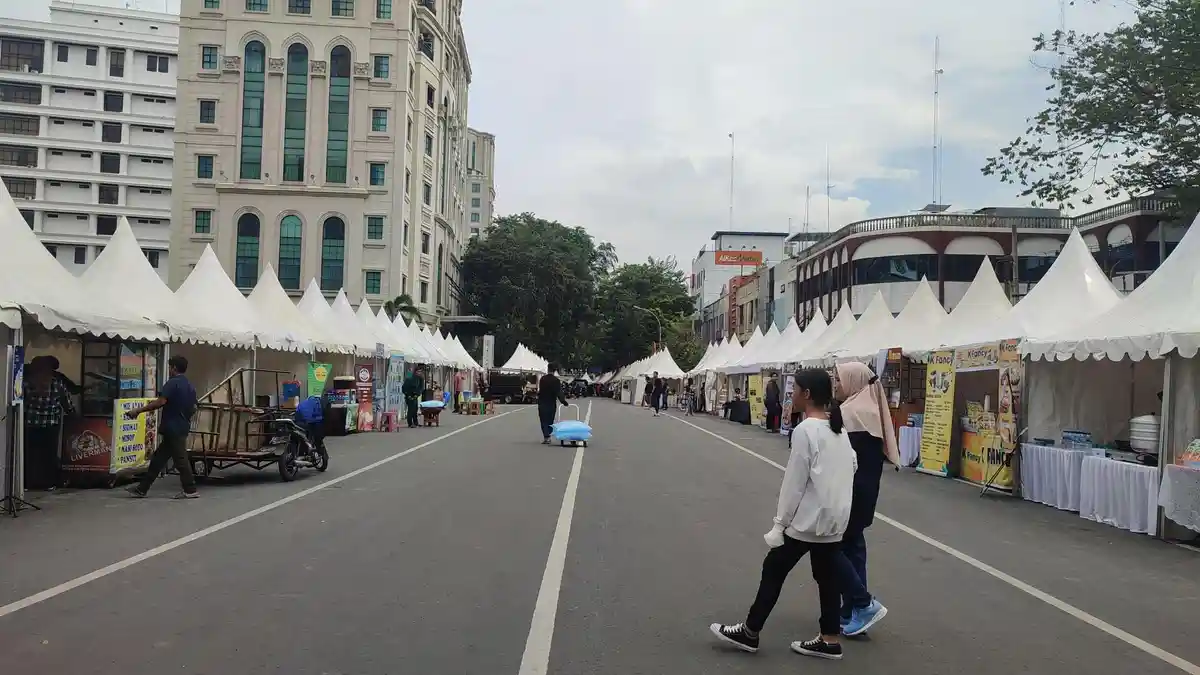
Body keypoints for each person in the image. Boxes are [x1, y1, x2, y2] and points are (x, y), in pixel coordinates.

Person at [710, 369, 857, 660]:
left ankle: (750, 631)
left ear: (807, 395)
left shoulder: (805, 431)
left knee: (774, 568)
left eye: (795, 389)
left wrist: (781, 523)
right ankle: (829, 638)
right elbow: (851, 465)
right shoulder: (838, 429)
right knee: (826, 578)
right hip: (834, 520)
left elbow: (794, 483)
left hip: (807, 522)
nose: (791, 395)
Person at [831, 362, 898, 636]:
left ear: (853, 382)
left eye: (839, 379)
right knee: (853, 547)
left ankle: (861, 604)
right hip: (866, 490)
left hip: (849, 491)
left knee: (834, 550)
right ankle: (852, 610)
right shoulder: (870, 410)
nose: (835, 384)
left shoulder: (849, 413)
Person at [126, 355, 199, 500]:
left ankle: (190, 489)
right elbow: (194, 407)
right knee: (158, 459)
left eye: (170, 367)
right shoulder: (190, 385)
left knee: (180, 459)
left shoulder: (172, 384)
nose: (169, 370)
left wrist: (138, 411)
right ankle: (142, 488)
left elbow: (160, 402)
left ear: (173, 368)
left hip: (173, 427)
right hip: (181, 426)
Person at [23, 357, 75, 490]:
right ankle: (47, 483)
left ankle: (28, 483)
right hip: (49, 425)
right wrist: (73, 414)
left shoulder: (27, 383)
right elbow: (67, 403)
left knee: (31, 456)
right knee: (47, 455)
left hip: (31, 424)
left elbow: (21, 403)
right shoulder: (56, 383)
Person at [537, 364, 569, 444]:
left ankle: (546, 436)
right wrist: (563, 401)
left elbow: (540, 391)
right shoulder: (556, 380)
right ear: (555, 371)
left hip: (542, 402)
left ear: (548, 369)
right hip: (551, 403)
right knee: (550, 420)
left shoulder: (542, 379)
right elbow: (559, 392)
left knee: (543, 420)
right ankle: (548, 435)